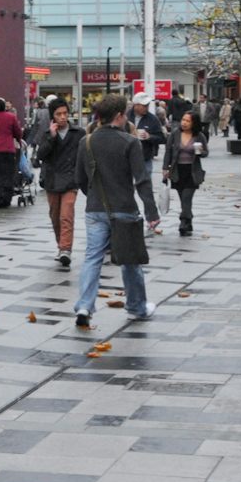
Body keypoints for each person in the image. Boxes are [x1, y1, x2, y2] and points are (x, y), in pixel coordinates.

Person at [73, 92, 153, 328]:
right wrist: (152, 213)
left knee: (92, 257)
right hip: (124, 209)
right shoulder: (130, 142)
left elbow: (80, 178)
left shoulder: (85, 142)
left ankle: (85, 305)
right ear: (119, 116)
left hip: (95, 209)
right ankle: (137, 307)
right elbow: (142, 180)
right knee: (130, 261)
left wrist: (95, 196)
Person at [31, 98, 84, 268]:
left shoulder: (78, 133)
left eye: (65, 113)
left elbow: (84, 155)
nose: (62, 117)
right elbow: (40, 156)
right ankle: (61, 246)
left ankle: (65, 249)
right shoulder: (47, 134)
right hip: (52, 180)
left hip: (70, 180)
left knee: (66, 215)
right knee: (55, 216)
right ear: (52, 116)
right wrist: (52, 138)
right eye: (58, 114)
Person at [161, 109, 208, 236]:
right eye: (183, 120)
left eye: (188, 121)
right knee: (183, 198)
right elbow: (168, 152)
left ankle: (183, 221)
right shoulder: (175, 134)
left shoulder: (199, 136)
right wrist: (165, 168)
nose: (184, 123)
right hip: (177, 171)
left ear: (194, 123)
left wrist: (200, 151)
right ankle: (189, 219)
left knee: (187, 197)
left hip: (192, 171)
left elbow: (205, 153)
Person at [127, 92, 166, 235]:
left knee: (145, 189)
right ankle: (130, 217)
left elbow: (162, 138)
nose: (146, 107)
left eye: (147, 105)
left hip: (144, 158)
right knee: (126, 189)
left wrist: (150, 137)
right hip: (126, 159)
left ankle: (152, 218)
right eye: (143, 105)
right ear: (135, 105)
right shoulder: (125, 117)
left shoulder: (152, 119)